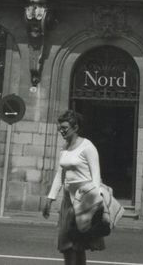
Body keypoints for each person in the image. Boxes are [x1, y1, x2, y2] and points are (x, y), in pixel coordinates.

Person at [42, 109, 105, 265]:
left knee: (76, 245)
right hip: (68, 202)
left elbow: (96, 176)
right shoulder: (64, 148)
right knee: (69, 245)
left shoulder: (87, 147)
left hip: (84, 201)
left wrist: (94, 204)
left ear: (75, 127)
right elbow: (60, 174)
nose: (61, 131)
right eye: (60, 128)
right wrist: (50, 199)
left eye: (64, 128)